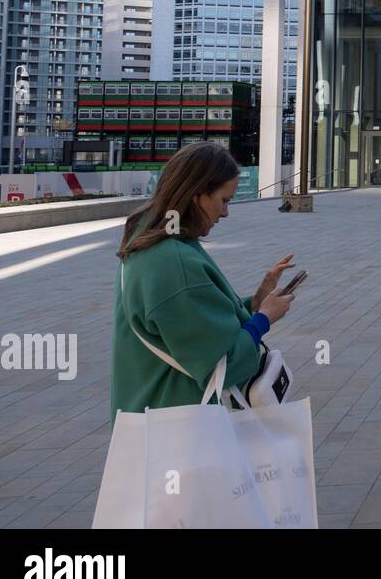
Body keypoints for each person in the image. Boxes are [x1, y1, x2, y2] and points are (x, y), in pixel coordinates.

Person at [111, 142, 296, 422]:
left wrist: (256, 302)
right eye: (223, 200)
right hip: (177, 424)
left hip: (149, 415)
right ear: (196, 195)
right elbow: (224, 366)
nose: (225, 213)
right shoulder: (173, 260)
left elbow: (188, 322)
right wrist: (264, 318)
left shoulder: (153, 242)